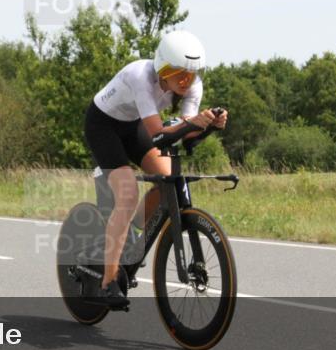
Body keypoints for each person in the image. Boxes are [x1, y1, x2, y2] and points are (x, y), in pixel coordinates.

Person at [83, 30, 228, 306]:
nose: (186, 81)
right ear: (162, 67)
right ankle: (108, 282)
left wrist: (208, 126)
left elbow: (185, 133)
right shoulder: (141, 77)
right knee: (127, 196)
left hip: (134, 124)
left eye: (192, 73)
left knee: (167, 179)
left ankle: (133, 231)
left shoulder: (193, 86)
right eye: (178, 73)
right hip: (103, 125)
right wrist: (194, 123)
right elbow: (160, 133)